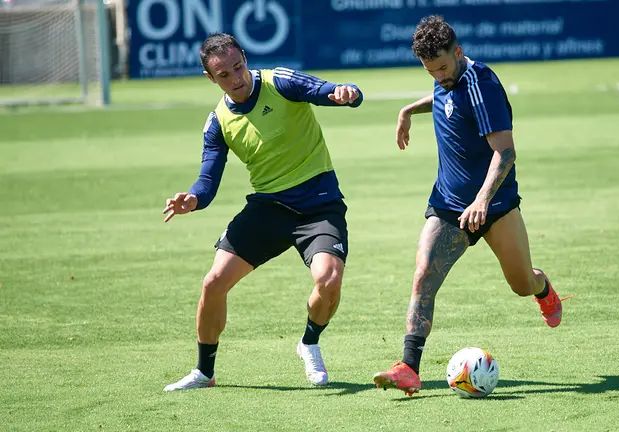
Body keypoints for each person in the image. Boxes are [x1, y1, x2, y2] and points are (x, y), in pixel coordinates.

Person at [372, 16, 562, 396]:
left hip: (495, 207)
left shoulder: (483, 84)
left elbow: (505, 152)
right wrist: (409, 109)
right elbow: (445, 98)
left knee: (521, 283)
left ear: (458, 53)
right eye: (430, 71)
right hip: (448, 205)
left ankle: (543, 287)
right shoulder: (445, 76)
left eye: (442, 67)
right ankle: (409, 367)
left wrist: (482, 199)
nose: (438, 76)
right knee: (424, 274)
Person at [162, 33, 363, 391]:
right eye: (224, 74)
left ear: (245, 58)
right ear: (211, 78)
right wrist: (192, 199)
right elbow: (208, 180)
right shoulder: (219, 123)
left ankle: (309, 343)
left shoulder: (280, 81)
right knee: (213, 283)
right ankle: (204, 372)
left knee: (328, 279)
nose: (236, 78)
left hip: (319, 204)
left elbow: (325, 90)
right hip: (269, 207)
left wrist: (347, 93)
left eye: (239, 67)